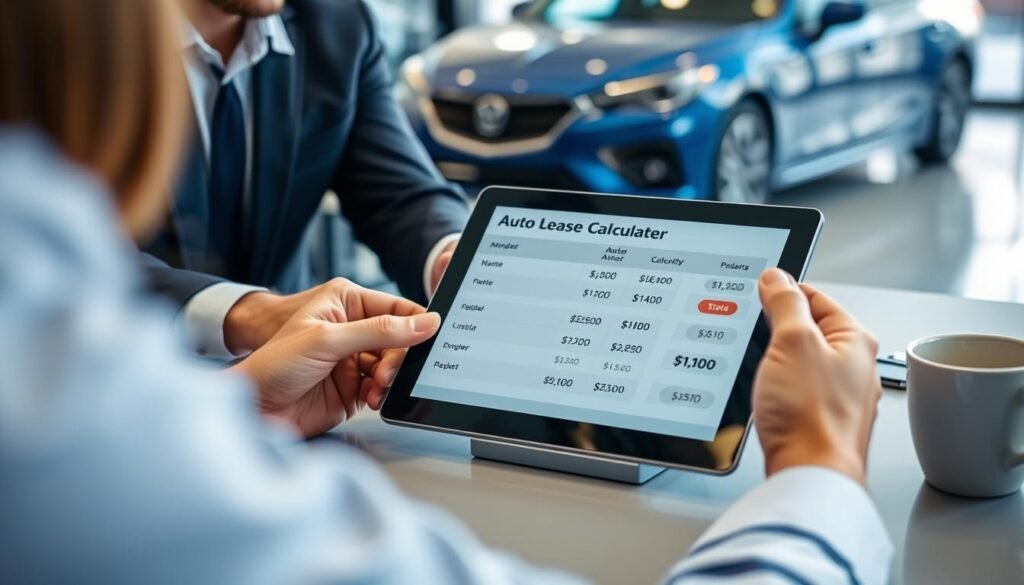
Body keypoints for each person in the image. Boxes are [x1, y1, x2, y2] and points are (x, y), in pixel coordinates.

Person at [0, 0, 892, 583]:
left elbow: (400, 191)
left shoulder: (332, 23)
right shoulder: (46, 398)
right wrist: (819, 468)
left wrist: (462, 265)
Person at [144, 0, 468, 359]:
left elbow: (400, 194)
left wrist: (450, 258)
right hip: (126, 367)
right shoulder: (98, 38)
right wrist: (246, 311)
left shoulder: (338, 21)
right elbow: (94, 256)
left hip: (298, 371)